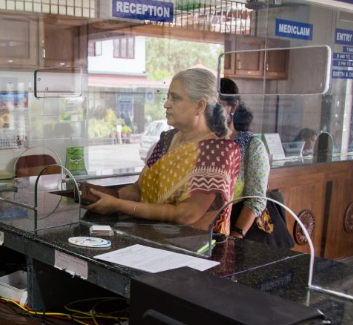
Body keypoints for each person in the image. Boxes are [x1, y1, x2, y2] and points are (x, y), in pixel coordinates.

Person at [84, 69, 241, 234]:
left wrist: (118, 205)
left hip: (196, 248)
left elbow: (186, 215)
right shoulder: (166, 140)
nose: (167, 104)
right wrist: (102, 197)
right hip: (151, 237)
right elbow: (138, 190)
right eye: (167, 97)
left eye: (175, 98)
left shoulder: (217, 152)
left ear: (199, 105)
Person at [219, 78, 270, 239]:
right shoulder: (202, 143)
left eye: (217, 106)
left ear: (232, 107)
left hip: (239, 229)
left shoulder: (251, 146)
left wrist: (236, 235)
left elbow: (256, 198)